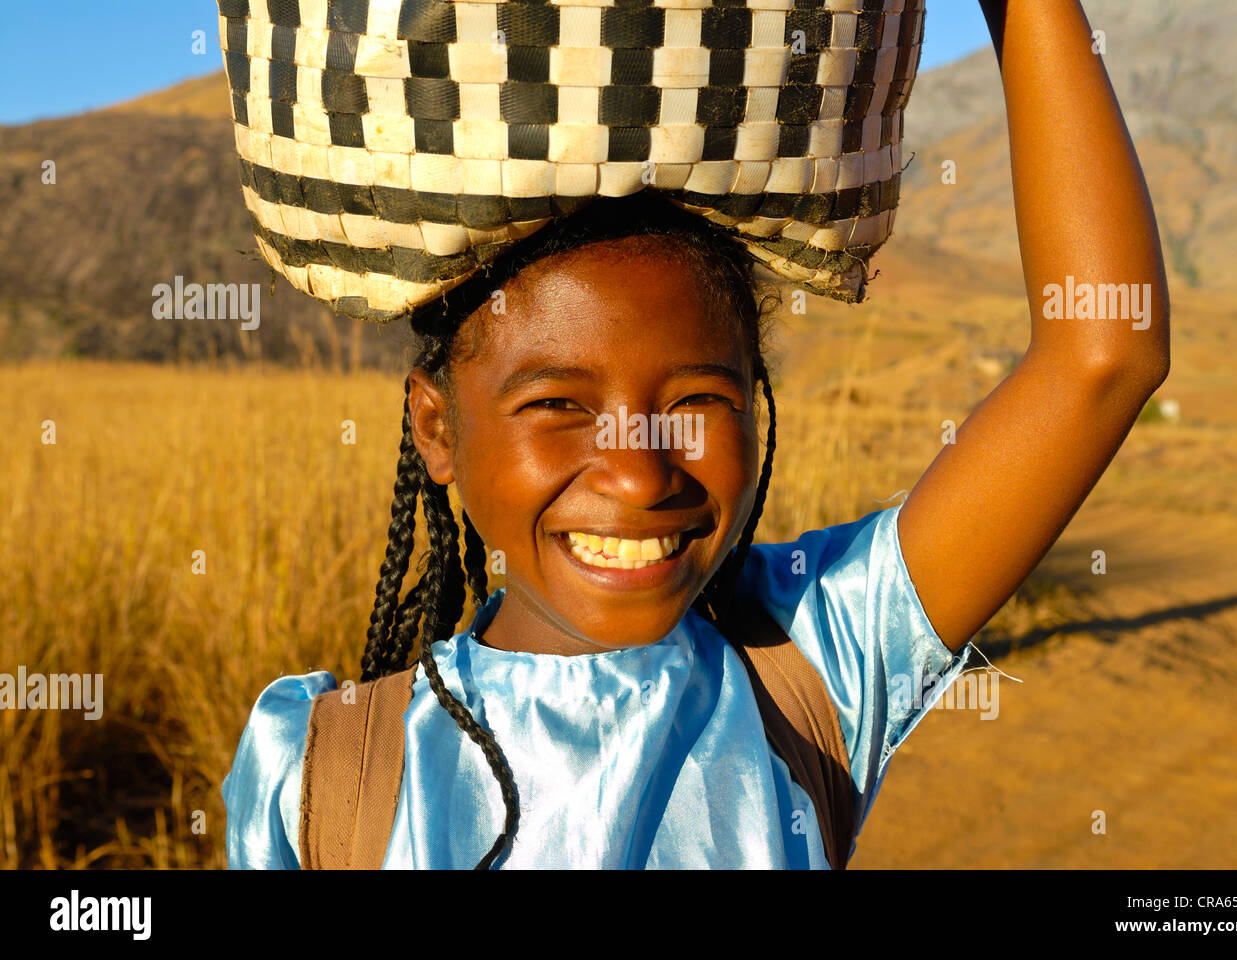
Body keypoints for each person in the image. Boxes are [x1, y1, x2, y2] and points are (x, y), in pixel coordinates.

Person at [223, 0, 1170, 869]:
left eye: (696, 403)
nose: (639, 476)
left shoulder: (813, 664)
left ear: (756, 412)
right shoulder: (326, 778)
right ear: (438, 428)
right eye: (560, 407)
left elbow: (1102, 356)